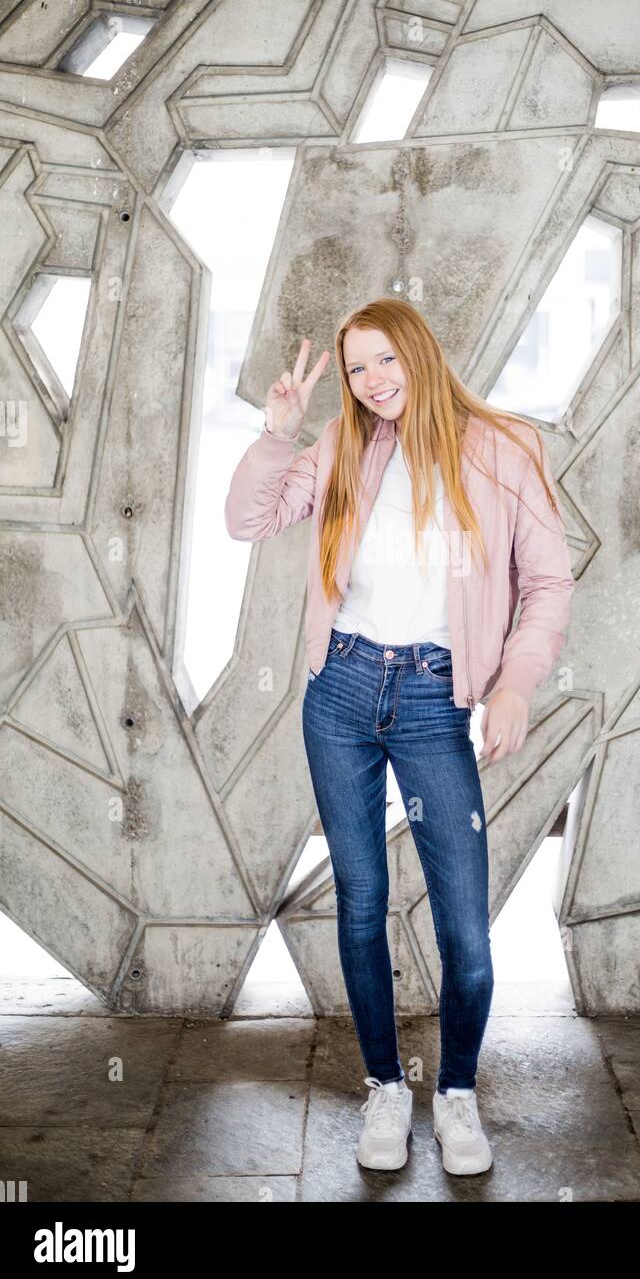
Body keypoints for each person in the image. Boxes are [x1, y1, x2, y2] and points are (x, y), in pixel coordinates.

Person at [225, 298, 575, 1176]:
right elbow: (249, 519)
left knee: (465, 925)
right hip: (339, 692)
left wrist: (516, 685)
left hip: (431, 699)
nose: (374, 382)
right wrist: (276, 433)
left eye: (387, 361)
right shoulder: (344, 445)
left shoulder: (502, 450)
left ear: (421, 352)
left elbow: (550, 583)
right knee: (360, 904)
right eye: (357, 369)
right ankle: (385, 1087)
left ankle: (455, 1091)